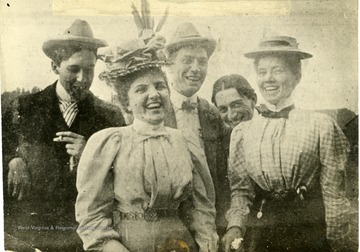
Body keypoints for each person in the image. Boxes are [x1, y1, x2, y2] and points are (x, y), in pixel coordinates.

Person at [75, 36, 219, 252]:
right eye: (141, 89)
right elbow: (92, 217)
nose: (154, 94)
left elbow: (200, 207)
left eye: (160, 86)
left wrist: (207, 242)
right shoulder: (111, 142)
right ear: (126, 103)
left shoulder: (184, 142)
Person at [222, 35, 354, 252]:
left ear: (297, 75)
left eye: (278, 70)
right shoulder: (243, 132)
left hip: (309, 228)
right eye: (262, 72)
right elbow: (241, 191)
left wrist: (337, 242)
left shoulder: (320, 126)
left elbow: (334, 195)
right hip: (263, 229)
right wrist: (235, 226)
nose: (268, 79)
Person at [2, 19, 126, 251]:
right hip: (31, 236)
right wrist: (12, 159)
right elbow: (4, 145)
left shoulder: (110, 117)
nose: (83, 79)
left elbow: (124, 179)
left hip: (86, 238)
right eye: (74, 69)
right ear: (55, 66)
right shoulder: (23, 107)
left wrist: (90, 154)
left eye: (89, 70)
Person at [165, 22, 229, 237]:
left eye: (202, 61)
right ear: (170, 65)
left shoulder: (213, 115)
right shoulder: (153, 109)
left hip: (208, 221)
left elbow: (223, 179)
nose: (195, 68)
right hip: (167, 221)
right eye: (187, 60)